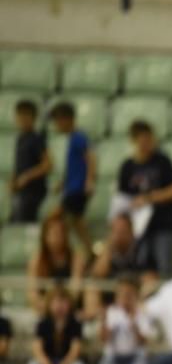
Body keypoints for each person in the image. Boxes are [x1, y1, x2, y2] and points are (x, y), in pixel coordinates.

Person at [116, 120, 172, 278]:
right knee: (140, 265)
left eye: (149, 139)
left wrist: (149, 198)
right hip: (139, 228)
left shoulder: (162, 162)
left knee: (164, 266)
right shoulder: (127, 166)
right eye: (142, 140)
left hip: (163, 225)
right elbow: (122, 197)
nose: (146, 143)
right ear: (134, 141)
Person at [50, 102, 97, 253]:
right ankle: (88, 251)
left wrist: (89, 180)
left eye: (58, 121)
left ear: (66, 119)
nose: (56, 125)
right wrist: (63, 182)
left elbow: (90, 157)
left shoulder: (78, 137)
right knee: (75, 221)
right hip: (72, 187)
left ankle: (86, 251)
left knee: (56, 218)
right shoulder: (72, 139)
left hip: (77, 188)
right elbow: (75, 166)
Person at [27, 214, 87, 314]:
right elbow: (32, 292)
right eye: (53, 233)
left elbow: (75, 290)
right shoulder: (37, 259)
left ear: (65, 236)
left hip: (68, 308)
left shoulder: (76, 258)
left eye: (60, 233)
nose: (57, 237)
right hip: (45, 308)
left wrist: (62, 305)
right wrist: (46, 306)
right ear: (45, 236)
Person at [8, 99, 51, 223]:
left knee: (24, 224)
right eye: (20, 115)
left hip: (33, 192)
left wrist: (27, 177)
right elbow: (19, 165)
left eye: (26, 115)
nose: (22, 119)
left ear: (33, 118)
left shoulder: (36, 139)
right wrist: (14, 180)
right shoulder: (20, 139)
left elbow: (47, 165)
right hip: (21, 192)